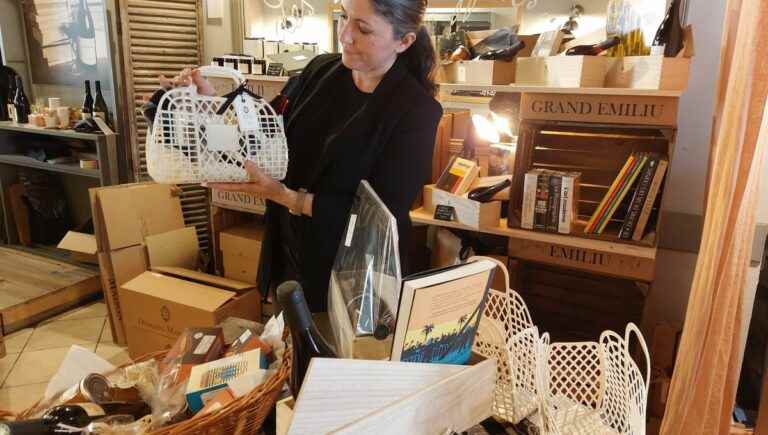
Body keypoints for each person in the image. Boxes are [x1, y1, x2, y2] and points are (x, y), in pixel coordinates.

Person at [206, 0, 442, 312]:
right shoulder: (321, 70)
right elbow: (266, 132)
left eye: (363, 27)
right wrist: (207, 104)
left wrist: (288, 198)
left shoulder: (416, 111)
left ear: (404, 40)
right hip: (292, 255)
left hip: (352, 273)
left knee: (334, 356)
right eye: (345, 17)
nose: (344, 35)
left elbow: (379, 214)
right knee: (290, 350)